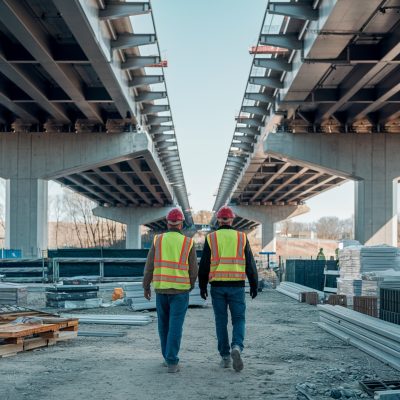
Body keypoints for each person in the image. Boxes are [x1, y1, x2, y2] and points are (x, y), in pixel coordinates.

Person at [199, 205, 258, 372]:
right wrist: (254, 284)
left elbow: (204, 264)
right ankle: (237, 346)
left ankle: (225, 357)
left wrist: (202, 285)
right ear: (232, 219)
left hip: (217, 286)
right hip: (237, 286)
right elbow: (250, 263)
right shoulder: (241, 237)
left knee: (221, 321)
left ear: (218, 219)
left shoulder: (211, 238)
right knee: (239, 319)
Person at [143, 208, 198, 373]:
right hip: (180, 291)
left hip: (161, 290)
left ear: (168, 223)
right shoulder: (188, 242)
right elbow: (193, 270)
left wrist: (146, 285)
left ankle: (167, 358)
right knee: (175, 325)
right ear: (181, 224)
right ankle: (172, 361)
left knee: (163, 325)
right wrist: (191, 285)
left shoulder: (157, 240)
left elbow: (149, 266)